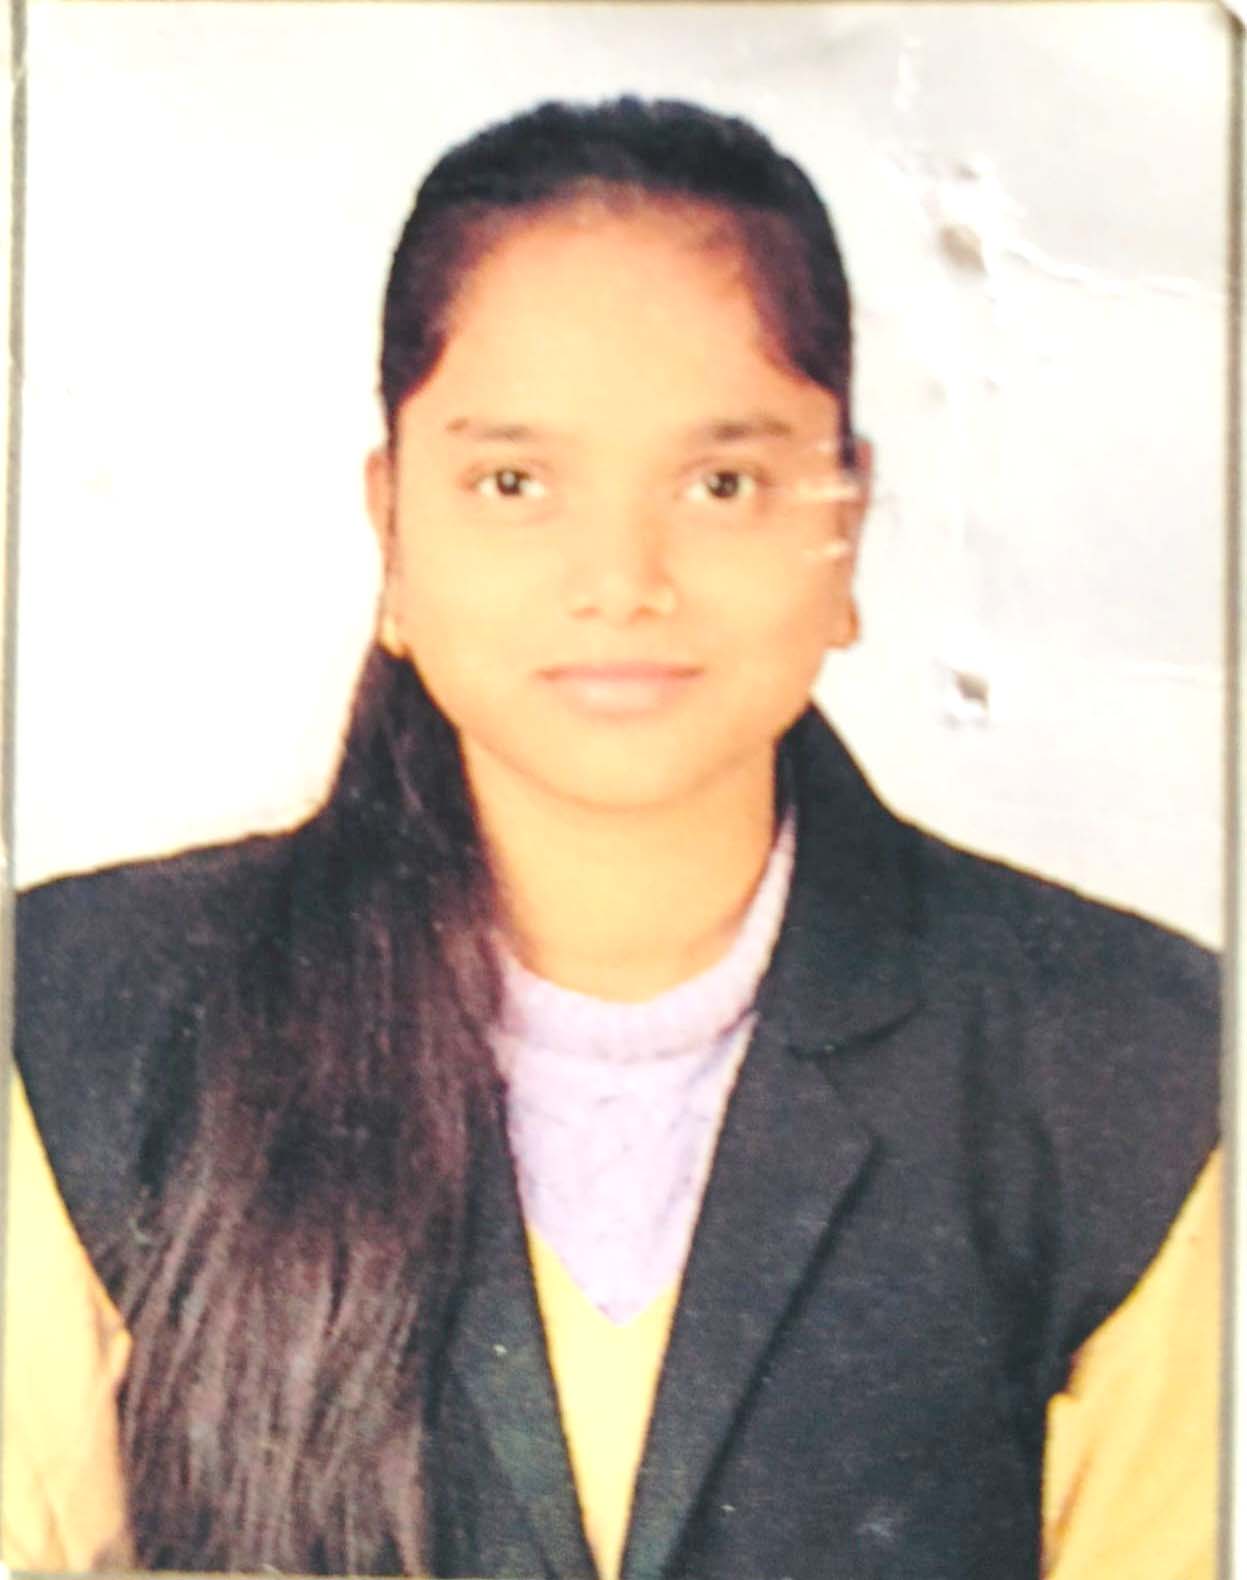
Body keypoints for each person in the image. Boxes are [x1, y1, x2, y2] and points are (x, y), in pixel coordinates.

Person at [4, 97, 1220, 1579]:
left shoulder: (1137, 1065)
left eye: (722, 484)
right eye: (514, 484)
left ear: (846, 529)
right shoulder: (75, 1023)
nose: (622, 579)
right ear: (393, 530)